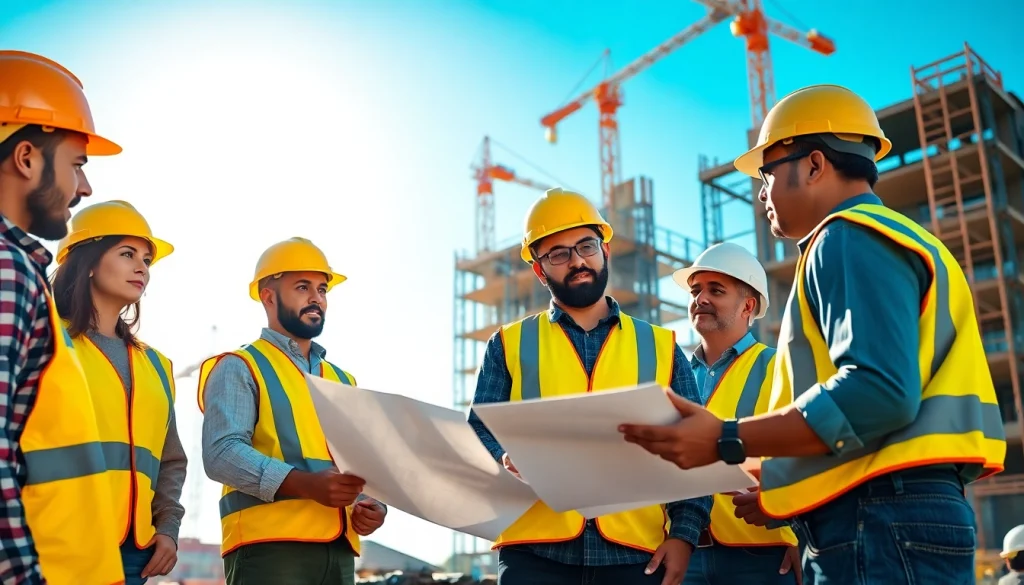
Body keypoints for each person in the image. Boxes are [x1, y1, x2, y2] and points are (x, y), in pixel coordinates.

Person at [618, 83, 1007, 584]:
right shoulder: (907, 240)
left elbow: (878, 392)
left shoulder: (844, 235)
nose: (762, 194)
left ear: (815, 165)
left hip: (879, 517)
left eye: (767, 174)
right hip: (901, 510)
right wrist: (781, 486)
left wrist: (726, 438)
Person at [467, 187, 711, 585]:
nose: (578, 260)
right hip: (534, 553)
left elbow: (697, 446)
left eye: (586, 245)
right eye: (559, 254)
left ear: (605, 251)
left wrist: (684, 535)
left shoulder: (661, 346)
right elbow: (480, 429)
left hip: (636, 554)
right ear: (539, 270)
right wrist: (503, 455)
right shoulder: (507, 344)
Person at [0, 50, 126, 584]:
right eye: (77, 165)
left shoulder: (22, 271)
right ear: (26, 157)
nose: (86, 188)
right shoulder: (8, 270)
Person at [199, 237, 387, 585]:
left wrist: (370, 504)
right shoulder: (241, 365)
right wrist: (304, 484)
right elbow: (221, 454)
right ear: (268, 297)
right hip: (269, 549)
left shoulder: (343, 380)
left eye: (322, 288)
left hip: (340, 551)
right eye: (302, 287)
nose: (316, 297)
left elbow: (357, 465)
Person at [51, 200, 187, 584]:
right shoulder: (46, 341)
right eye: (127, 254)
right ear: (89, 261)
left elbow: (170, 459)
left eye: (146, 258)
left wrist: (168, 530)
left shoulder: (157, 366)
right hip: (55, 542)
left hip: (134, 555)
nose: (142, 267)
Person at [671, 242, 800, 585]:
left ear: (748, 305)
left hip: (764, 552)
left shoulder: (778, 366)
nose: (701, 298)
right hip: (688, 552)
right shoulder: (675, 375)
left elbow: (803, 450)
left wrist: (801, 535)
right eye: (696, 290)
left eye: (716, 290)